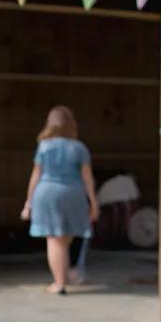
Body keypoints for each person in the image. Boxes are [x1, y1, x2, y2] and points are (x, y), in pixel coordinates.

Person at [21, 105, 98, 294]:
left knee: (54, 240)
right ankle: (65, 276)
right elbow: (87, 178)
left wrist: (28, 202)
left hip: (47, 192)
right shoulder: (79, 148)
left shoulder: (44, 146)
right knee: (64, 239)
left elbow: (35, 176)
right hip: (73, 194)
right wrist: (93, 202)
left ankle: (59, 283)